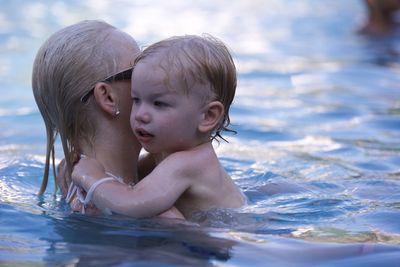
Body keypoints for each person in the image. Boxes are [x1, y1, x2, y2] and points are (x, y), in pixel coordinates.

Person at [72, 34, 246, 218]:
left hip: (233, 237)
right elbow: (132, 178)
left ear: (207, 116)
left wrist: (91, 177)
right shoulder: (167, 155)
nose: (140, 115)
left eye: (159, 104)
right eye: (136, 100)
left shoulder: (187, 164)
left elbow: (133, 203)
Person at [32, 20, 182, 218]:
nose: (155, 76)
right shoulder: (156, 215)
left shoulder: (70, 178)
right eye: (138, 70)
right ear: (109, 98)